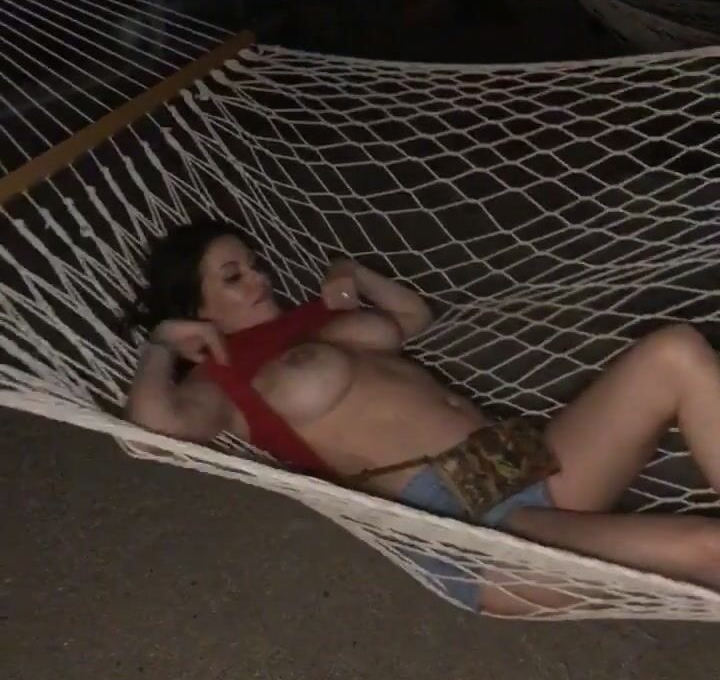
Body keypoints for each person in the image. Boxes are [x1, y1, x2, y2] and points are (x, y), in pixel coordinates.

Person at [125, 220, 720, 617]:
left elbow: (414, 316)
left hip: (519, 458)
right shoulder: (223, 375)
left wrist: (354, 273)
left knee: (675, 352)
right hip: (469, 522)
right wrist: (162, 344)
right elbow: (154, 431)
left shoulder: (311, 316)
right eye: (233, 277)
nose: (259, 277)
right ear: (197, 306)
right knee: (706, 548)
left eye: (254, 264)